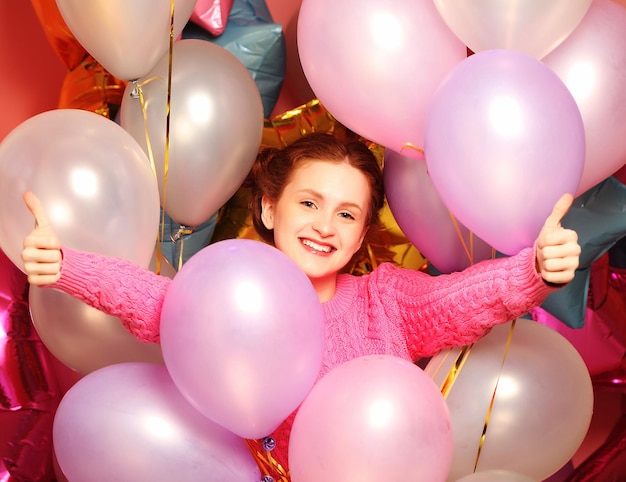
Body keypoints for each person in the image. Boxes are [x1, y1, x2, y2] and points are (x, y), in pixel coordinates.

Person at [21, 132, 581, 479]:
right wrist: (67, 266)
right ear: (269, 209)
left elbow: (460, 301)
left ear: (361, 236)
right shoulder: (229, 294)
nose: (323, 225)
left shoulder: (383, 300)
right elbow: (156, 301)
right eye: (308, 202)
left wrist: (533, 269)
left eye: (345, 214)